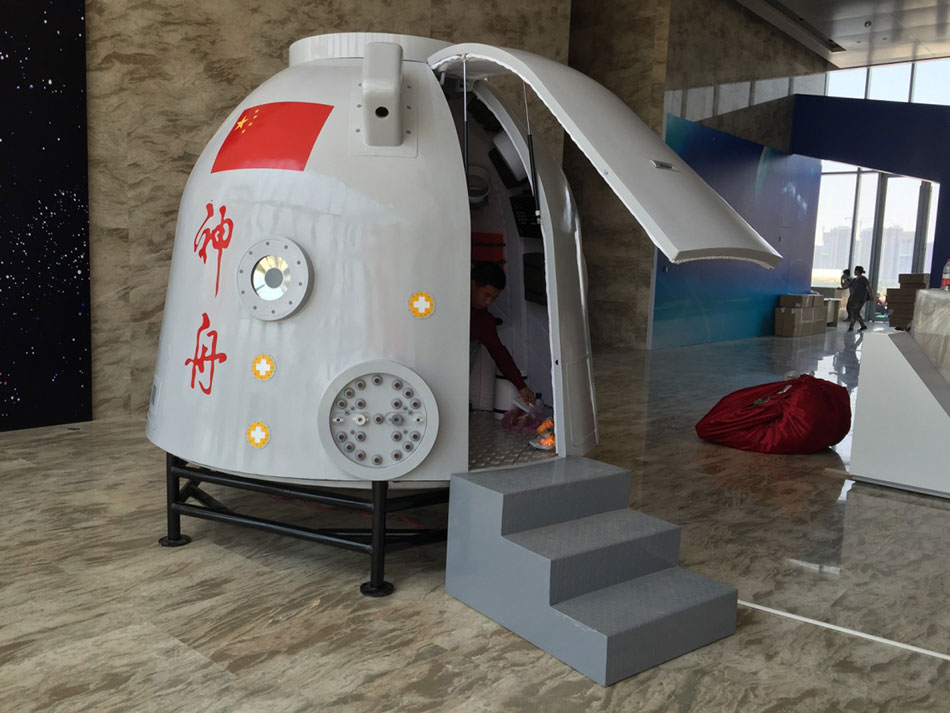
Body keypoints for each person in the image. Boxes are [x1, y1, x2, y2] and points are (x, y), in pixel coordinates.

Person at [470, 262, 535, 405]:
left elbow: (499, 352)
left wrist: (521, 386)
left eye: (494, 298)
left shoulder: (483, 320)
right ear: (472, 285)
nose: (489, 302)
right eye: (486, 295)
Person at [846, 266, 872, 332]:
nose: (854, 272)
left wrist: (871, 295)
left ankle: (852, 327)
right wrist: (841, 288)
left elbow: (869, 287)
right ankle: (860, 326)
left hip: (860, 299)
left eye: (855, 270)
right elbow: (849, 286)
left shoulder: (863, 279)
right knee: (854, 313)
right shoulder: (854, 280)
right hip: (854, 298)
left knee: (855, 312)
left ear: (858, 271)